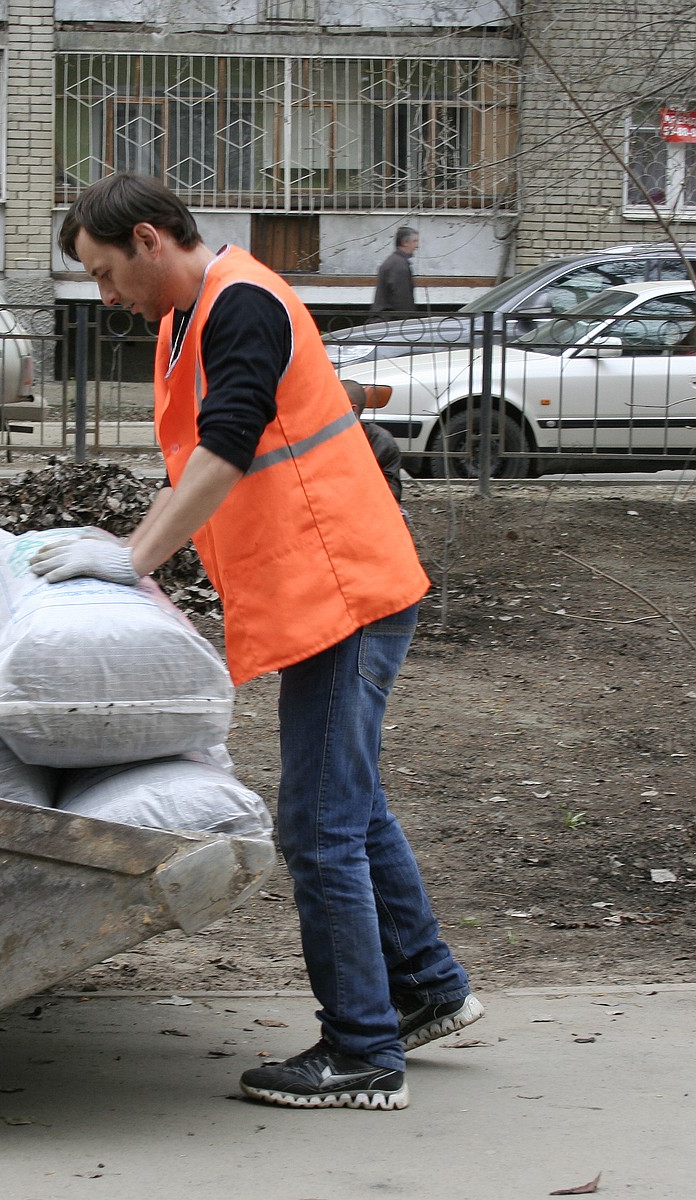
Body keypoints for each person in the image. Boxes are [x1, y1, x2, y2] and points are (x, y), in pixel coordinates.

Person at [31, 173, 482, 1111]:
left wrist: (133, 557)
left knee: (318, 828)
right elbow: (195, 457)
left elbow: (229, 447)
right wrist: (132, 550)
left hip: (344, 590)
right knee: (350, 805)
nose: (106, 296)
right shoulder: (186, 320)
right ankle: (428, 990)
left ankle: (362, 1052)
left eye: (108, 273)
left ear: (151, 239)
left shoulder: (242, 307)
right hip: (325, 589)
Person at [342, 379, 403, 502]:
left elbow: (391, 495)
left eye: (332, 403)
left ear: (352, 410)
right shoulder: (317, 437)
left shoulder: (381, 442)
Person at [371, 226, 419, 314]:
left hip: (385, 321)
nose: (417, 246)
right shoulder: (399, 266)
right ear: (405, 242)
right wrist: (408, 321)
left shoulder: (393, 261)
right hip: (391, 322)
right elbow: (403, 300)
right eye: (415, 241)